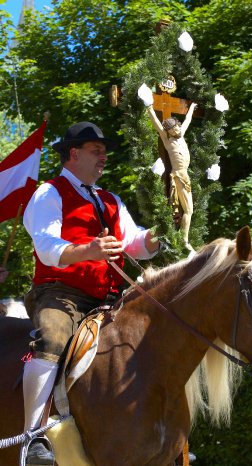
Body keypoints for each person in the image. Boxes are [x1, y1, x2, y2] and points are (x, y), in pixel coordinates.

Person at [22, 121, 160, 465]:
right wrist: (88, 251)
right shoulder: (49, 193)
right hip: (62, 294)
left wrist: (162, 233)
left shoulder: (111, 200)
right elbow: (47, 247)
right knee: (52, 338)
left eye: (104, 153)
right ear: (74, 153)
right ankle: (33, 439)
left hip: (111, 299)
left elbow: (135, 243)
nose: (103, 158)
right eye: (96, 151)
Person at [138, 84, 197, 250]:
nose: (176, 130)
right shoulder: (167, 140)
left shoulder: (181, 135)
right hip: (178, 175)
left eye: (177, 127)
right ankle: (184, 241)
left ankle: (184, 239)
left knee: (189, 210)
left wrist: (191, 107)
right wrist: (149, 106)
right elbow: (156, 122)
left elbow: (188, 120)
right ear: (168, 132)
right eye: (172, 129)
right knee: (188, 210)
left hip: (185, 175)